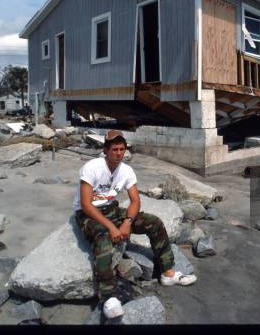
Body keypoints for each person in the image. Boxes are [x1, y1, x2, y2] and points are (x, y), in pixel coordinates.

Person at [74, 130, 197, 319]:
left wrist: (127, 222)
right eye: (114, 149)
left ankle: (168, 273)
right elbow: (86, 204)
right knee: (104, 238)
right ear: (106, 150)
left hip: (111, 209)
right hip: (88, 214)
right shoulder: (92, 167)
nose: (119, 153)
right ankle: (108, 297)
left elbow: (135, 201)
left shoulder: (126, 170)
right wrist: (113, 227)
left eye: (122, 149)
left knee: (153, 222)